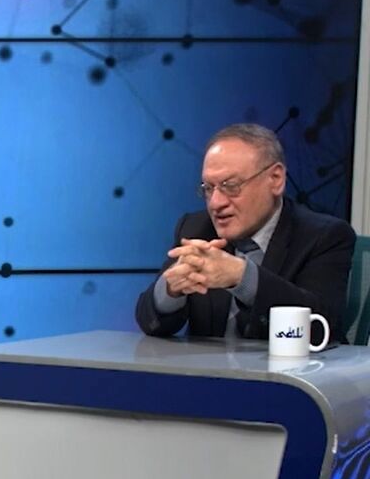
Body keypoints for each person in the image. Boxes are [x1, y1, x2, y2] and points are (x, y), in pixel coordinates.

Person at [135, 123, 354, 341]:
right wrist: (171, 290)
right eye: (208, 188)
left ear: (275, 179)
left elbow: (321, 327)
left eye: (231, 186)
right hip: (207, 364)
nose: (216, 203)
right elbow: (150, 323)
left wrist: (242, 277)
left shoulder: (324, 236)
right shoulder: (196, 228)